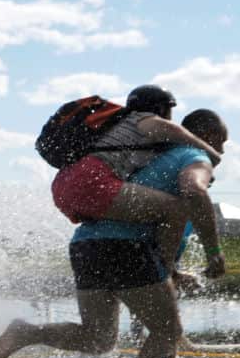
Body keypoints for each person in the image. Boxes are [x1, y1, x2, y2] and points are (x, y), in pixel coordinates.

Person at [0, 109, 229, 358]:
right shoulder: (194, 155)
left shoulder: (147, 158)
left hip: (88, 245)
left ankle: (27, 332)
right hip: (126, 249)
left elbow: (162, 228)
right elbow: (194, 191)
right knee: (166, 332)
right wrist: (213, 252)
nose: (222, 152)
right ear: (206, 136)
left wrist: (172, 272)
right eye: (221, 142)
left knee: (98, 338)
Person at [51, 85, 222, 266]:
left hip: (63, 184)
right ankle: (167, 271)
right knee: (176, 209)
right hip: (91, 181)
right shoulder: (150, 121)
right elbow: (194, 143)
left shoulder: (118, 126)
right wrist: (210, 160)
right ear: (162, 109)